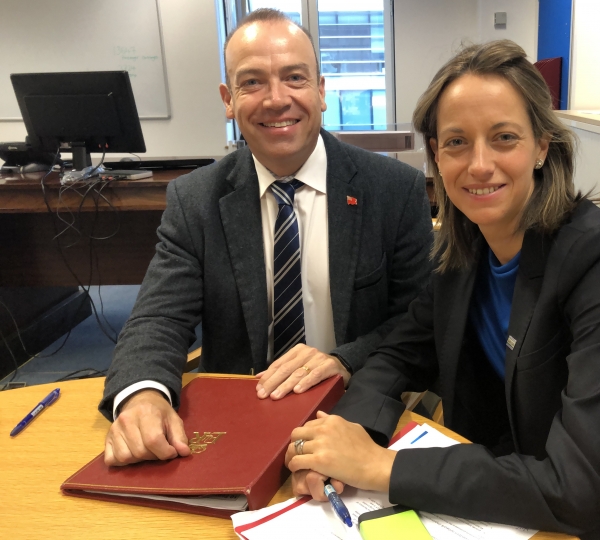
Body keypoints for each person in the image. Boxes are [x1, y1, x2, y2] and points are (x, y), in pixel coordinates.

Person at [284, 40, 600, 539]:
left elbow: (577, 488)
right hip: (524, 507)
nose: (479, 164)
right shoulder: (462, 252)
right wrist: (348, 438)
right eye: (457, 142)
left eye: (504, 137)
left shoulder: (599, 262)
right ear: (437, 155)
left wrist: (381, 468)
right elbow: (396, 356)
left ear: (542, 146)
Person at [98, 9, 433, 467]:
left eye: (294, 78)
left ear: (320, 90)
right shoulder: (195, 200)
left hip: (355, 409)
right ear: (228, 99)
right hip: (234, 423)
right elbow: (158, 317)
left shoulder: (394, 190)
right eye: (252, 82)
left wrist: (346, 360)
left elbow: (418, 319)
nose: (276, 100)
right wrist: (142, 396)